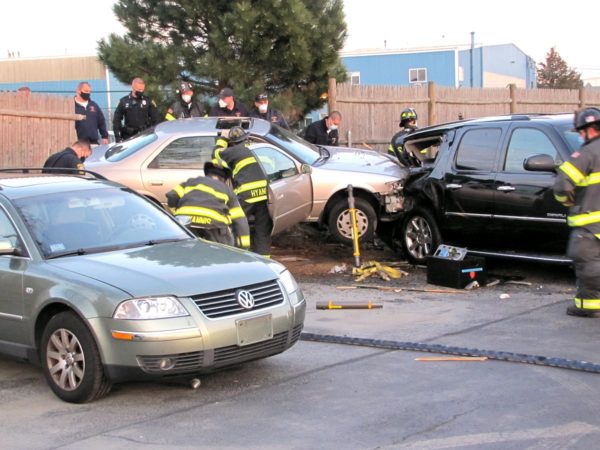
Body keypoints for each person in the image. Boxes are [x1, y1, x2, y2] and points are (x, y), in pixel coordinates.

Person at [554, 107, 600, 318]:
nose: (580, 136)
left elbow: (563, 185)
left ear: (588, 130)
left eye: (580, 132)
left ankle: (587, 307)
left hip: (589, 224)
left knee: (586, 263)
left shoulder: (587, 153)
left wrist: (567, 201)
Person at [211, 126, 272, 257]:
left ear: (232, 142)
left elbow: (215, 155)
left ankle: (237, 255)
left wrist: (222, 139)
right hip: (265, 194)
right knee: (263, 229)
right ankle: (265, 259)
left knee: (237, 225)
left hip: (246, 195)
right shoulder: (257, 147)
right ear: (246, 138)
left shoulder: (232, 151)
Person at [166, 162, 250, 249]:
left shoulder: (190, 182)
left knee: (184, 250)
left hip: (186, 222)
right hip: (214, 225)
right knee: (224, 251)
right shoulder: (227, 190)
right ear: (224, 179)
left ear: (207, 174)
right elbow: (239, 219)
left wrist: (176, 213)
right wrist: (244, 246)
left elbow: (172, 196)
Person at [112, 77, 160, 142]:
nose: (141, 91)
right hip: (128, 137)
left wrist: (152, 132)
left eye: (142, 90)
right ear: (133, 87)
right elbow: (116, 121)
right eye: (139, 89)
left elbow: (155, 119)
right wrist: (117, 137)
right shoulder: (124, 101)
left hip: (145, 136)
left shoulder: (148, 101)